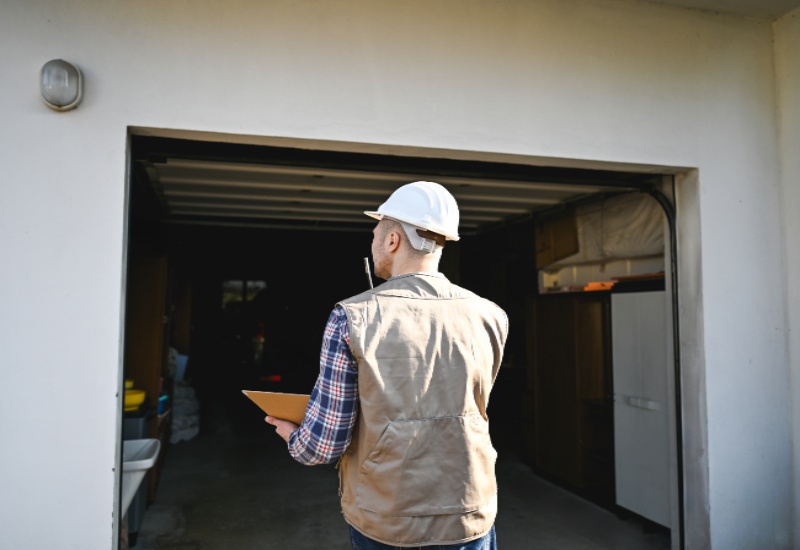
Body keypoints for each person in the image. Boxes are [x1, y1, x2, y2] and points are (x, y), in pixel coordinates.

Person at [266, 181, 509, 549]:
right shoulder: (491, 315)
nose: (374, 242)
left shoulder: (351, 316)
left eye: (376, 233)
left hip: (387, 520)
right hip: (470, 512)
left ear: (393, 240)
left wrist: (293, 437)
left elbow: (323, 446)